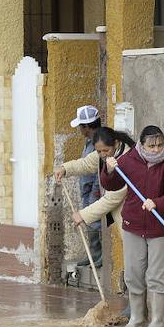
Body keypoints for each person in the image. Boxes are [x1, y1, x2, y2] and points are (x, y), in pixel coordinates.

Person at [101, 125, 164, 327]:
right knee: (133, 273)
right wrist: (110, 169)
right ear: (142, 144)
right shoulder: (130, 160)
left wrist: (157, 203)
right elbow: (111, 184)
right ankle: (137, 318)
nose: (156, 149)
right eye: (151, 145)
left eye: (159, 144)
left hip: (160, 228)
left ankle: (157, 320)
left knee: (157, 276)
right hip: (133, 225)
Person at [57, 105, 104, 268]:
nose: (79, 129)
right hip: (87, 187)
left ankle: (99, 256)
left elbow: (98, 166)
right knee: (88, 219)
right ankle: (92, 254)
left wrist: (96, 189)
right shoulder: (89, 141)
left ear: (86, 126)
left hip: (95, 187)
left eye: (80, 126)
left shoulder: (100, 141)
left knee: (94, 220)